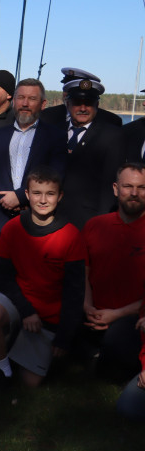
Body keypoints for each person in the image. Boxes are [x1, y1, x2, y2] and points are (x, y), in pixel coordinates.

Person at [0, 168, 86, 389]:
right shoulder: (12, 228)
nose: (43, 200)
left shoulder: (71, 235)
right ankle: (3, 371)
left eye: (50, 194)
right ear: (27, 194)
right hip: (19, 303)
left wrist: (64, 337)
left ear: (60, 196)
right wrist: (26, 311)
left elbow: (75, 292)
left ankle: (25, 347)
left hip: (50, 315)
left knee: (28, 384)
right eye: (36, 193)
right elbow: (2, 276)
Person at [81, 163, 145, 380]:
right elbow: (84, 271)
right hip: (93, 312)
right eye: (128, 186)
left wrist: (116, 315)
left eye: (141, 187)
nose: (134, 193)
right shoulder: (94, 225)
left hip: (133, 317)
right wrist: (87, 305)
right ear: (116, 189)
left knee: (116, 344)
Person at [0, 78, 65, 230]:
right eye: (21, 98)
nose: (25, 104)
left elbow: (56, 175)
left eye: (32, 99)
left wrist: (20, 197)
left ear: (43, 104)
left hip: (36, 218)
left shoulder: (56, 137)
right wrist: (5, 198)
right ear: (13, 102)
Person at [57, 77, 123, 228]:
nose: (83, 108)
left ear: (97, 105)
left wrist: (101, 224)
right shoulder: (53, 131)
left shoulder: (111, 136)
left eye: (89, 103)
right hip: (52, 217)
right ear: (67, 104)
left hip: (88, 221)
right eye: (77, 103)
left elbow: (109, 187)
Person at [40, 67, 123, 129]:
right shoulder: (46, 116)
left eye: (71, 90)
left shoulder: (111, 121)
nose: (66, 94)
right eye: (65, 88)